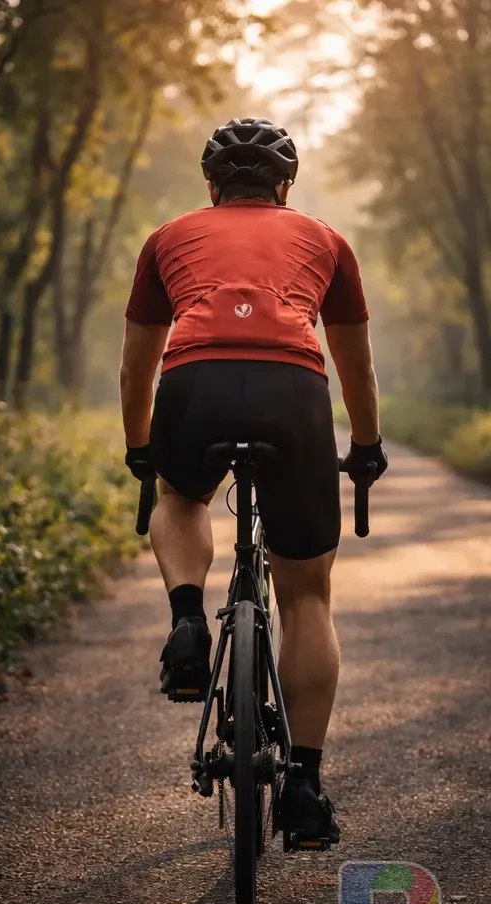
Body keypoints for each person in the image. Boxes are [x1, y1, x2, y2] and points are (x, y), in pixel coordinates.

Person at [118, 116, 386, 849]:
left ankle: (185, 619)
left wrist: (143, 448)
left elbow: (137, 362)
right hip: (292, 388)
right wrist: (365, 445)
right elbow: (356, 365)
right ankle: (301, 783)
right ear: (286, 186)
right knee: (306, 594)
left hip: (194, 381)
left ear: (211, 187)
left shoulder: (168, 237)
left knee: (179, 497)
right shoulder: (326, 240)